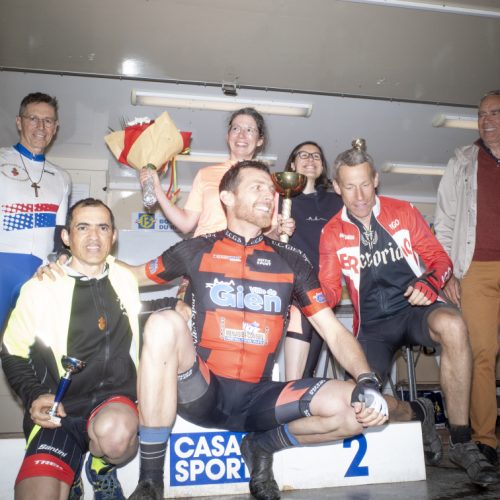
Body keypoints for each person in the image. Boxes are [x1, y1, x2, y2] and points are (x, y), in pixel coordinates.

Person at [124, 160, 388, 500]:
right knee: (163, 323)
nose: (269, 195)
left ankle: (261, 446)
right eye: (257, 187)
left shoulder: (292, 260)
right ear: (227, 197)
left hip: (261, 399)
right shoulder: (196, 249)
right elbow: (132, 276)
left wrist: (366, 380)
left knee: (354, 412)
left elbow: (334, 331)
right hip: (204, 391)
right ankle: (150, 481)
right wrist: (76, 261)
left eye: (271, 190)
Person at [318, 141, 498, 486]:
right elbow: (328, 291)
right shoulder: (331, 232)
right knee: (360, 404)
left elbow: (440, 260)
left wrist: (430, 282)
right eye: (350, 187)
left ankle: (461, 442)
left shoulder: (403, 211)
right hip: (373, 327)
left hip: (416, 310)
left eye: (365, 184)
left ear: (376, 179)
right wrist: (304, 293)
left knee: (453, 324)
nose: (360, 196)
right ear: (337, 187)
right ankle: (419, 412)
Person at [1, 198, 141, 500]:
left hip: (112, 403)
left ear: (113, 235)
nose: (94, 237)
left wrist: (181, 304)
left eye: (103, 227)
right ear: (66, 236)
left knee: (117, 436)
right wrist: (34, 394)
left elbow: (141, 315)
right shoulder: (40, 287)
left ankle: (101, 468)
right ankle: (72, 472)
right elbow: (12, 352)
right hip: (59, 408)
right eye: (83, 227)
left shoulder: (124, 280)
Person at [435, 90, 500, 467]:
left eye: (494, 113)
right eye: (481, 114)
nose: (486, 120)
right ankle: (485, 439)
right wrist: (447, 272)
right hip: (476, 268)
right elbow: (444, 221)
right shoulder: (462, 160)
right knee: (481, 353)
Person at [0, 92, 71, 331]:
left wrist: (60, 258)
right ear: (19, 122)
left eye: (48, 121)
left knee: (37, 347)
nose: (41, 127)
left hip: (40, 273)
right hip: (2, 266)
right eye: (33, 119)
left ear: (55, 127)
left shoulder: (62, 177)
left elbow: (60, 232)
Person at [281, 141, 343, 379]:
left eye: (317, 156)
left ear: (323, 166)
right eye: (304, 155)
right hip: (291, 287)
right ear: (292, 164)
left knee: (310, 364)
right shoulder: (281, 199)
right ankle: (290, 390)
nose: (310, 159)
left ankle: (297, 395)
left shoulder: (336, 202)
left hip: (324, 289)